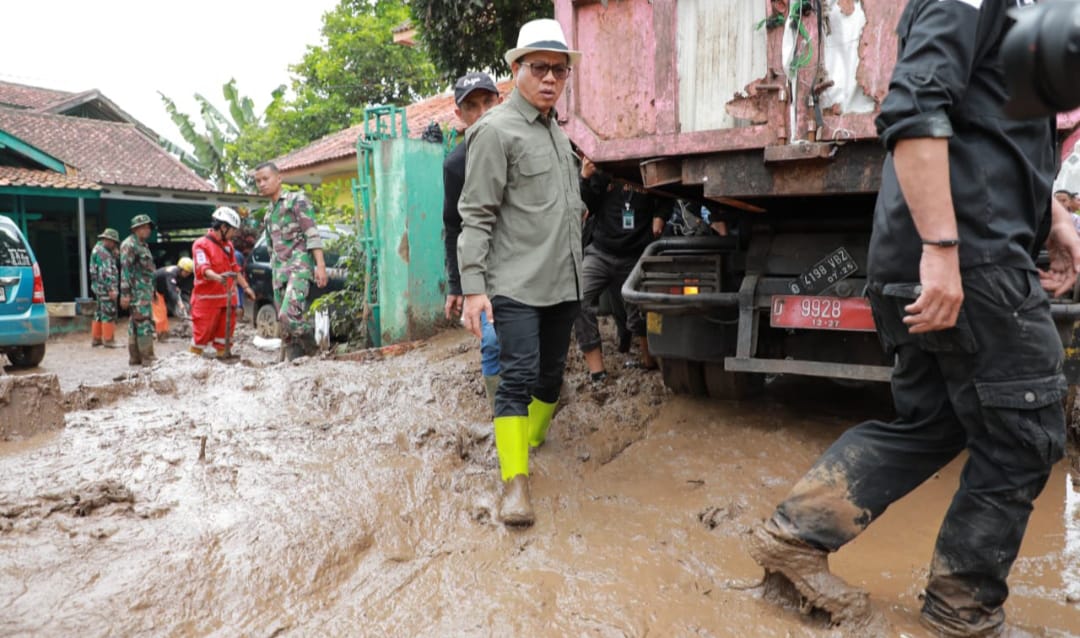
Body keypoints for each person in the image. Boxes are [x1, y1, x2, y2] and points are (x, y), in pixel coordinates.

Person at [746, 1, 1080, 635]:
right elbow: (913, 107)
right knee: (1028, 432)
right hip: (969, 255)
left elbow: (997, 130)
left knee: (936, 421)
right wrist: (943, 250)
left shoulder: (1018, 12)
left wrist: (1055, 219)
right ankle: (962, 608)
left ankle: (795, 537)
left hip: (945, 250)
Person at [458, 18, 585, 528]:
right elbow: (476, 215)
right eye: (539, 67)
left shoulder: (558, 133)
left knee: (551, 378)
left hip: (563, 281)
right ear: (516, 70)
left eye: (560, 69)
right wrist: (472, 291)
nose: (551, 78)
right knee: (518, 378)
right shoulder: (494, 131)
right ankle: (515, 483)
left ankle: (528, 442)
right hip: (513, 284)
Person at [442, 71, 503, 407]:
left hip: (528, 260)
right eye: (472, 107)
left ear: (500, 101)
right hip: (485, 266)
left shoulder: (521, 145)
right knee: (492, 339)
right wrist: (457, 285)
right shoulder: (456, 165)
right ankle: (501, 412)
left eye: (488, 103)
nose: (482, 114)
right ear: (459, 115)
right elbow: (453, 226)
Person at [575, 157, 665, 382]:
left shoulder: (651, 166)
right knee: (576, 298)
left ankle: (648, 361)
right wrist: (585, 178)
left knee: (640, 309)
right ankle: (598, 372)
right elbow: (587, 203)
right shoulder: (604, 168)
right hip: (601, 252)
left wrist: (660, 216)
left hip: (635, 256)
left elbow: (668, 196)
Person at [253, 161, 328, 361]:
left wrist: (320, 266)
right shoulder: (269, 214)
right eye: (257, 181)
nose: (261, 184)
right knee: (285, 332)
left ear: (279, 178)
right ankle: (296, 367)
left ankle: (315, 350)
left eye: (265, 179)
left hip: (299, 266)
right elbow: (272, 250)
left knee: (288, 317)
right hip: (279, 272)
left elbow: (312, 234)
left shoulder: (296, 201)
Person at [190, 207, 255, 359]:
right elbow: (203, 269)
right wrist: (218, 277)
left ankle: (223, 359)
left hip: (226, 301)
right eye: (233, 230)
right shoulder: (201, 245)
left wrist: (246, 287)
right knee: (201, 336)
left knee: (224, 336)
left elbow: (235, 269)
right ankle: (192, 363)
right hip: (207, 301)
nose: (234, 234)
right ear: (223, 227)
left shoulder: (229, 246)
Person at [119, 214, 158, 366]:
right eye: (145, 227)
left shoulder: (143, 245)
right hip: (136, 291)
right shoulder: (129, 245)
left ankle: (135, 357)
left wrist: (153, 291)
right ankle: (147, 357)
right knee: (143, 322)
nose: (148, 230)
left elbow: (148, 270)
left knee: (136, 322)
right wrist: (125, 294)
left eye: (149, 227)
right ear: (136, 229)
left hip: (145, 290)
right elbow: (125, 270)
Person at [89, 228, 121, 348]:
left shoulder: (98, 249)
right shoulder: (104, 254)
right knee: (109, 312)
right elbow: (105, 273)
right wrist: (111, 288)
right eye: (113, 242)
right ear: (108, 240)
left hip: (98, 288)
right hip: (105, 288)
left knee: (99, 312)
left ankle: (96, 339)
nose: (114, 245)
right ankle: (109, 340)